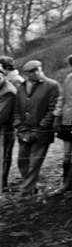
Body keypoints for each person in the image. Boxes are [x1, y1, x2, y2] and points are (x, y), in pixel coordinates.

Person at [13, 60, 60, 195]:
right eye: (32, 71)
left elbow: (52, 109)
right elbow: (16, 109)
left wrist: (42, 126)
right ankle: (33, 187)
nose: (36, 73)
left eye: (37, 69)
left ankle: (26, 191)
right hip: (24, 131)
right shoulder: (21, 88)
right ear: (26, 74)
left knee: (34, 162)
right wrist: (18, 125)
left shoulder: (51, 85)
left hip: (41, 132)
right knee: (22, 161)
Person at [54, 53, 72, 195]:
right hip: (68, 120)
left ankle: (67, 184)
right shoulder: (68, 78)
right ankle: (65, 182)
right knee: (66, 153)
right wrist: (57, 115)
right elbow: (62, 97)